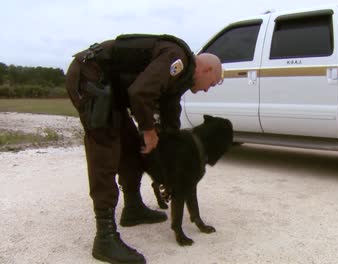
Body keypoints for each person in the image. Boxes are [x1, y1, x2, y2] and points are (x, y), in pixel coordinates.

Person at [65, 34, 223, 264]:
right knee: (105, 149)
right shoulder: (177, 59)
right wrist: (148, 130)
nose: (208, 90)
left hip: (112, 89)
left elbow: (170, 122)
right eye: (212, 83)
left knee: (131, 146)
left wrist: (168, 163)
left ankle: (133, 208)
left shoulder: (179, 80)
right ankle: (104, 237)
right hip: (90, 76)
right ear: (207, 69)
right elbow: (140, 93)